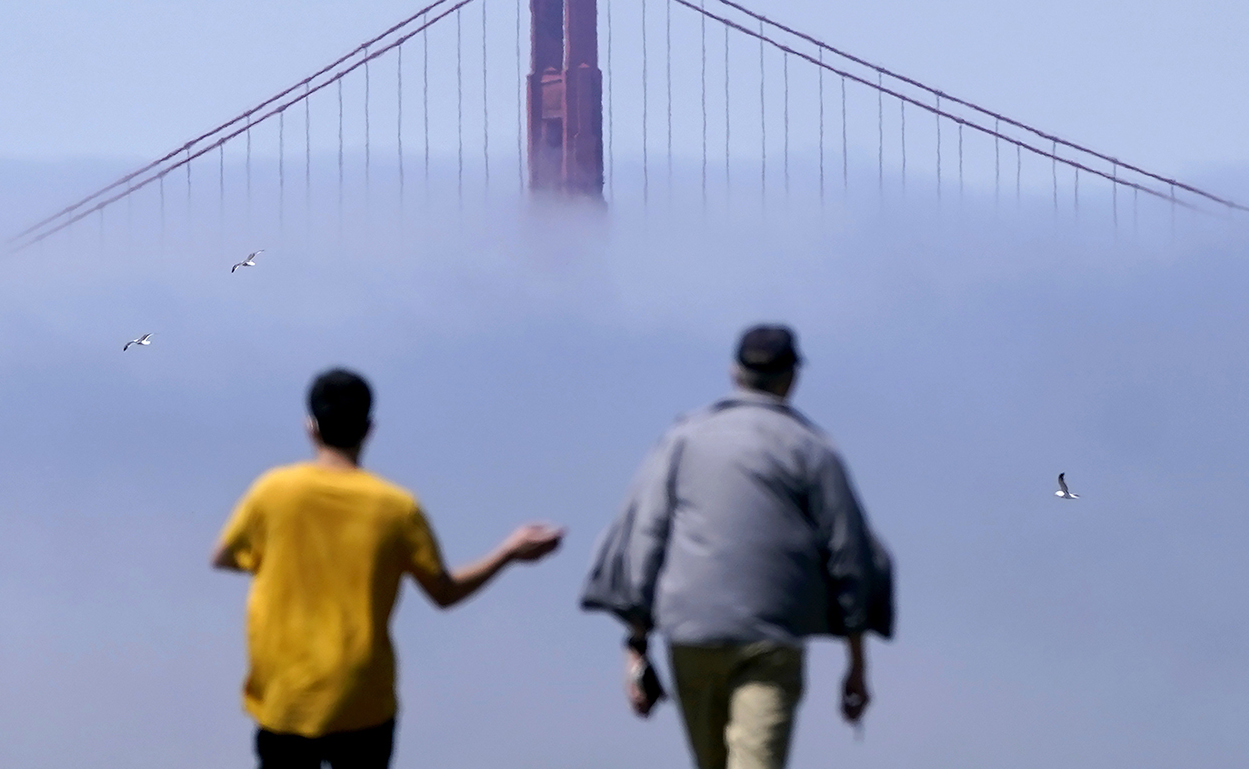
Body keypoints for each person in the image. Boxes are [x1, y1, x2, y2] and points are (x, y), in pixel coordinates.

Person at [213, 368, 564, 769]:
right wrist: (508, 552)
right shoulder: (395, 508)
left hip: (285, 692)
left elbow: (223, 557)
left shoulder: (273, 493)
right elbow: (444, 593)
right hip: (363, 696)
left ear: (310, 427)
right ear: (368, 429)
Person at [581, 325, 893, 769]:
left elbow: (645, 536)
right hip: (770, 638)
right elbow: (849, 553)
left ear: (734, 373)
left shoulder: (682, 440)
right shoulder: (812, 448)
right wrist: (857, 662)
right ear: (792, 378)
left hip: (690, 631)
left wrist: (635, 646)